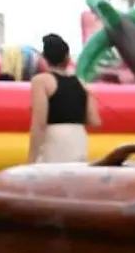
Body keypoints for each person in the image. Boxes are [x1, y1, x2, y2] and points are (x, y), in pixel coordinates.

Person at [28, 33, 101, 164]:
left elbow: (39, 123)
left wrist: (32, 158)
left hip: (55, 138)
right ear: (67, 57)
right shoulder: (82, 83)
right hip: (78, 138)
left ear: (45, 58)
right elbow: (95, 121)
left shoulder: (41, 81)